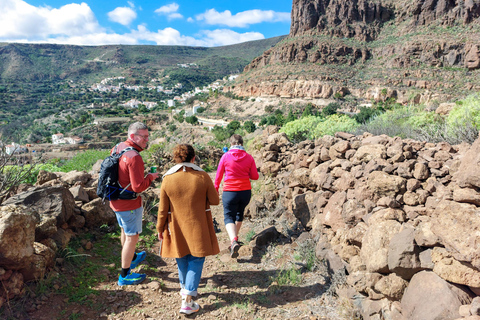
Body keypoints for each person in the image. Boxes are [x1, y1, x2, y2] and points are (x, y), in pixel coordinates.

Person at [156, 144, 220, 315]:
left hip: (176, 227)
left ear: (175, 159)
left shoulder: (167, 179)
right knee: (197, 259)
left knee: (181, 257)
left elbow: (162, 209)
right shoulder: (202, 176)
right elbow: (215, 201)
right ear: (193, 158)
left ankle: (185, 290)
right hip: (198, 225)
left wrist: (160, 228)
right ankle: (188, 299)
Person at [110, 122, 160, 286]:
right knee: (133, 237)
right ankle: (124, 275)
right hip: (128, 204)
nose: (147, 140)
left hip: (115, 199)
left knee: (125, 230)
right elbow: (138, 187)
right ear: (133, 136)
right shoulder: (134, 157)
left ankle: (131, 257)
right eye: (144, 137)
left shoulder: (118, 147)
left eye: (147, 136)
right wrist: (151, 177)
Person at [214, 134, 259, 258]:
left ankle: (233, 241)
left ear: (231, 144)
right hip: (245, 192)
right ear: (242, 143)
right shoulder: (249, 158)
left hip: (230, 192)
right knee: (239, 214)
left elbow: (218, 176)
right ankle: (235, 240)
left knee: (229, 216)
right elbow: (255, 176)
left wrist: (216, 189)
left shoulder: (225, 156)